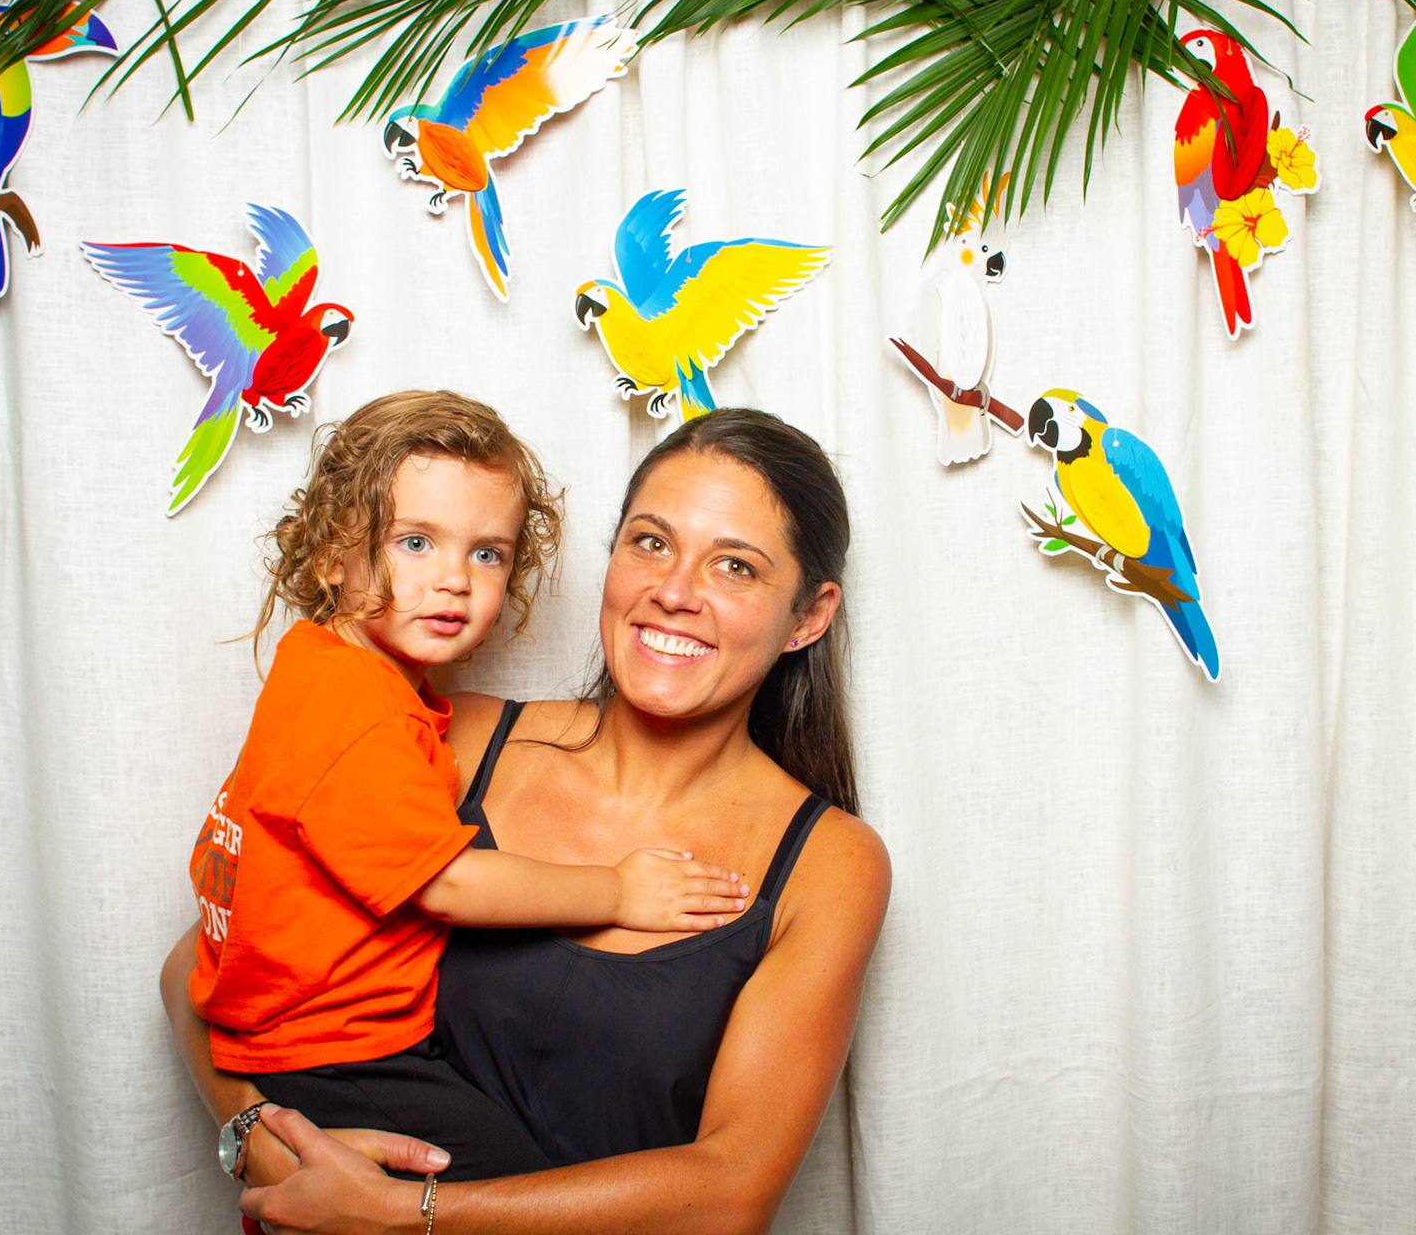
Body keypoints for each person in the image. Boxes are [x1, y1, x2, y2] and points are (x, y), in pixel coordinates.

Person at [162, 407, 892, 1234]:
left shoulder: (830, 863)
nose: (674, 591)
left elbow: (732, 1194)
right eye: (651, 542)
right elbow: (206, 960)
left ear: (808, 615)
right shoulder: (450, 735)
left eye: (734, 566)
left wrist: (402, 1214)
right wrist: (256, 1135)